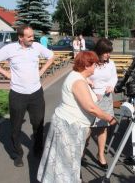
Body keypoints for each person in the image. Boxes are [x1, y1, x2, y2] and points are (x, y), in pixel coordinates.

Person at [37, 51, 117, 182]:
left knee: (64, 162)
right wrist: (109, 118)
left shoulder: (79, 77)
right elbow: (90, 108)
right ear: (86, 66)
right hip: (69, 126)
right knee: (65, 164)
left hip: (70, 124)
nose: (96, 67)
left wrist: (90, 88)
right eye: (94, 65)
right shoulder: (78, 81)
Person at [0, 25, 55, 167]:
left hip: (36, 93)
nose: (32, 38)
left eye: (32, 35)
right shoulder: (10, 49)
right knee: (16, 128)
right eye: (29, 36)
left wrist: (41, 71)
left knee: (38, 124)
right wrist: (7, 75)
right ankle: (18, 154)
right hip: (17, 94)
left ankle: (37, 149)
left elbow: (51, 56)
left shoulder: (36, 47)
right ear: (20, 37)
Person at [89, 38, 118, 169]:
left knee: (102, 127)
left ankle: (100, 155)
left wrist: (111, 86)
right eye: (106, 52)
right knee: (87, 129)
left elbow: (114, 77)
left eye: (109, 52)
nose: (108, 55)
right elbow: (82, 77)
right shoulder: (90, 62)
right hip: (90, 98)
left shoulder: (110, 63)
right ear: (99, 51)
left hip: (106, 98)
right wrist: (91, 89)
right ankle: (81, 154)